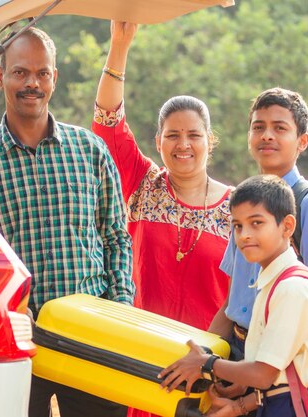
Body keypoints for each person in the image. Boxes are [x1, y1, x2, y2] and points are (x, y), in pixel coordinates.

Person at [0, 27, 134, 417]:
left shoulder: (91, 150)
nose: (32, 83)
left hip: (91, 335)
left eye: (42, 73)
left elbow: (116, 238)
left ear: (54, 78)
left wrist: (118, 313)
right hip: (12, 339)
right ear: (1, 77)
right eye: (20, 73)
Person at [92, 21, 233, 331]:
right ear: (158, 142)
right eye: (172, 135)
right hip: (141, 346)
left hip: (207, 359)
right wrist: (119, 46)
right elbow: (107, 119)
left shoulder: (238, 209)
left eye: (194, 135)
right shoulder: (143, 183)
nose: (183, 144)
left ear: (210, 141)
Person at [159, 174, 308, 417]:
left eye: (257, 223)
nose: (244, 235)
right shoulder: (271, 281)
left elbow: (263, 375)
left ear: (288, 226)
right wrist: (238, 406)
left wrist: (206, 365)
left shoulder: (291, 289)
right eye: (238, 225)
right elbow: (283, 376)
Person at [208, 87, 308, 371]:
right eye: (259, 127)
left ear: (302, 141)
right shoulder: (244, 203)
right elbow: (233, 304)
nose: (267, 135)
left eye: (280, 128)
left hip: (282, 362)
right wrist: (207, 355)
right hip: (237, 350)